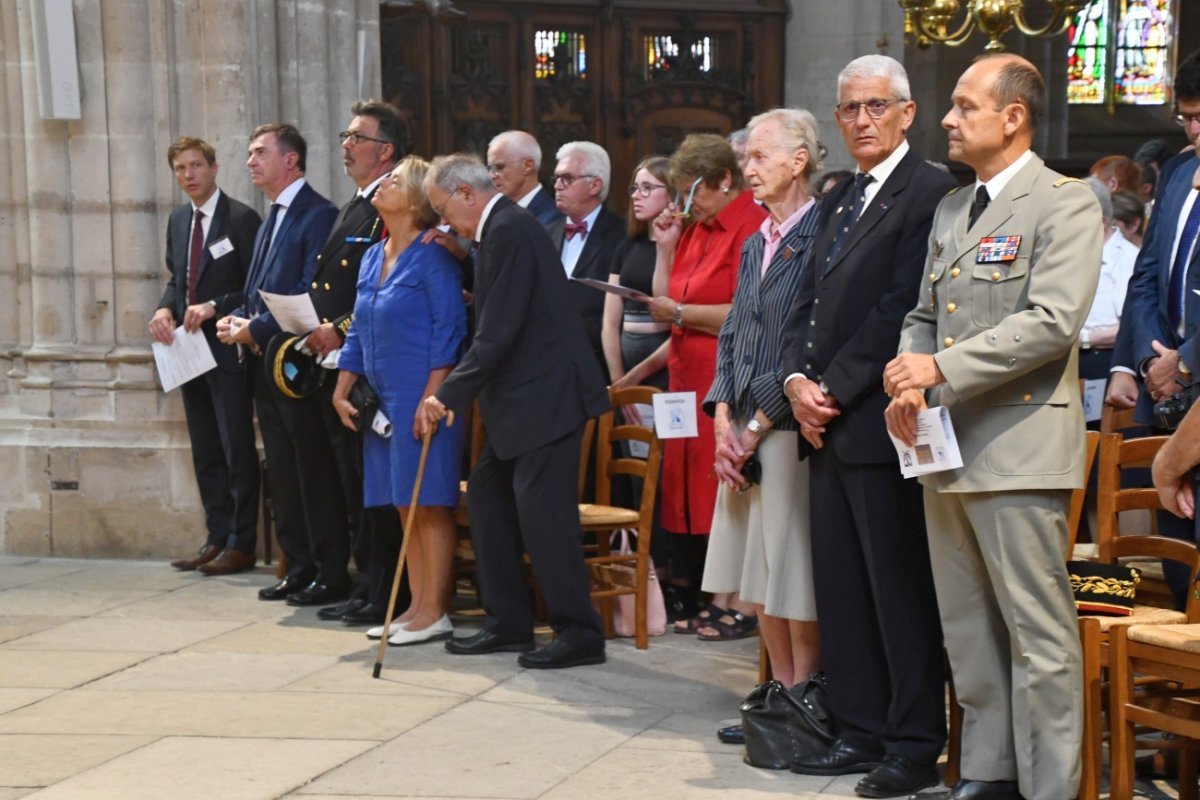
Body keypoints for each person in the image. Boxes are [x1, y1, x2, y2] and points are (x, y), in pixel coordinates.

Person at [884, 54, 1102, 800]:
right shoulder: (954, 207)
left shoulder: (1064, 203)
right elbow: (922, 315)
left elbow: (1050, 323)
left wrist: (938, 370)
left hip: (1018, 446)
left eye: (965, 106)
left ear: (1013, 117)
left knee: (1038, 636)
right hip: (943, 446)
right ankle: (989, 772)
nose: (948, 119)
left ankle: (1049, 787)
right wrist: (905, 370)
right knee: (969, 627)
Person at [782, 54, 953, 797]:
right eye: (849, 109)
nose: (860, 121)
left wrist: (830, 387)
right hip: (823, 425)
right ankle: (859, 729)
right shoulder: (840, 194)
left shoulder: (932, 190)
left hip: (882, 422)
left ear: (908, 113)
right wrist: (791, 381)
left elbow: (902, 308)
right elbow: (804, 302)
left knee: (898, 591)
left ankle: (914, 745)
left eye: (875, 107)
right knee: (842, 589)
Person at [416, 154, 611, 669]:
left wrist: (447, 394)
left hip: (546, 398)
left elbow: (497, 331)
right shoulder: (500, 229)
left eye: (443, 209)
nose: (444, 222)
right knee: (487, 497)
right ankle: (508, 623)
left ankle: (579, 632)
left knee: (545, 518)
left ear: (466, 194)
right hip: (521, 400)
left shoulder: (507, 229)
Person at [702, 108, 823, 739]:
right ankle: (777, 691)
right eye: (745, 158)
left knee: (790, 568)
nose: (747, 168)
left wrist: (757, 424)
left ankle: (807, 697)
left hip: (785, 430)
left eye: (759, 157)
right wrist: (723, 414)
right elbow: (736, 334)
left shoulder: (819, 236)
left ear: (799, 160)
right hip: (745, 425)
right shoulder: (757, 240)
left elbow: (803, 343)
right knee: (757, 572)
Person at [272, 101, 411, 615]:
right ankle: (366, 583)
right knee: (352, 486)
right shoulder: (357, 205)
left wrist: (340, 329)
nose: (346, 145)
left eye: (357, 137)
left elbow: (382, 290)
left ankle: (385, 590)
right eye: (346, 136)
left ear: (386, 151)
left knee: (368, 489)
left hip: (369, 364)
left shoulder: (391, 208)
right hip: (336, 361)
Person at [333, 155, 466, 646]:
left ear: (416, 201)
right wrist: (342, 386)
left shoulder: (433, 258)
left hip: (421, 391)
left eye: (393, 180)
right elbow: (359, 328)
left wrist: (432, 398)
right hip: (381, 396)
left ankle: (435, 610)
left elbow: (449, 332)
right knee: (402, 505)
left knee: (428, 502)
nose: (382, 184)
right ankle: (413, 607)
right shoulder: (372, 254)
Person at [649, 134, 768, 637]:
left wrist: (681, 313)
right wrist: (665, 247)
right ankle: (715, 591)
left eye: (693, 190)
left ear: (724, 180)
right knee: (699, 491)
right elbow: (664, 301)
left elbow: (747, 312)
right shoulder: (696, 229)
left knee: (732, 484)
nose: (687, 202)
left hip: (730, 376)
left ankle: (741, 599)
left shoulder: (750, 224)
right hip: (688, 376)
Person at [216, 123, 340, 602]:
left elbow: (309, 290)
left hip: (298, 368)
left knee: (312, 469)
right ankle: (298, 564)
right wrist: (239, 321)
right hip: (263, 364)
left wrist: (258, 328)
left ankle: (331, 570)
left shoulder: (318, 214)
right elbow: (262, 289)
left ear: (291, 160)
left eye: (259, 152)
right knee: (283, 472)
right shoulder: (272, 216)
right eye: (249, 152)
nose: (250, 161)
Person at [152, 137, 262, 576]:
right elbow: (177, 281)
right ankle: (216, 538)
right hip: (188, 349)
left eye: (196, 165)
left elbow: (255, 287)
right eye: (180, 168)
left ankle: (242, 542)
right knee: (205, 447)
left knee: (236, 445)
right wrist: (164, 307)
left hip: (227, 345)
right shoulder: (179, 220)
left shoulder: (242, 218)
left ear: (215, 168)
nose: (189, 175)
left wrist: (216, 304)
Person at [1116, 50, 1200, 608]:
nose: (1193, 130)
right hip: (1165, 396)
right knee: (1176, 566)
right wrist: (1151, 362)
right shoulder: (1179, 170)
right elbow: (1146, 273)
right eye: (1186, 118)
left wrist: (1187, 359)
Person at [546, 141, 625, 381]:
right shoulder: (545, 232)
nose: (558, 186)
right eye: (557, 178)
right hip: (549, 364)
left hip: (597, 363)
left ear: (595, 185)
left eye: (567, 178)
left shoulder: (621, 234)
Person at [601, 156, 672, 396]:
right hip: (625, 368)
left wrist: (635, 376)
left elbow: (679, 323)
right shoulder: (627, 245)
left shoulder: (682, 245)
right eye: (635, 188)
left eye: (647, 188)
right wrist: (618, 379)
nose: (636, 195)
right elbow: (610, 322)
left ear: (671, 194)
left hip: (665, 367)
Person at [1078, 176, 1138, 381]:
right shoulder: (1072, 256)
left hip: (1105, 362)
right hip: (1071, 361)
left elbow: (1129, 327)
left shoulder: (1128, 258)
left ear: (1101, 221)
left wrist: (1083, 339)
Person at [485, 130, 561, 226]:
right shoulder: (492, 213)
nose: (491, 175)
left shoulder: (553, 218)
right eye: (490, 168)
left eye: (499, 167)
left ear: (528, 166)